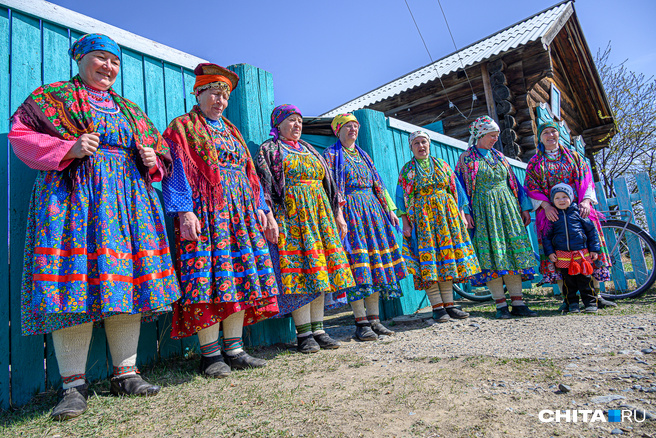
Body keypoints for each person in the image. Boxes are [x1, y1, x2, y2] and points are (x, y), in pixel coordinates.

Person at [8, 34, 181, 420]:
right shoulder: (51, 98)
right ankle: (73, 386)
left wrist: (153, 157)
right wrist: (67, 148)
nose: (108, 67)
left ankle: (126, 374)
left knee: (126, 281)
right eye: (100, 58)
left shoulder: (129, 109)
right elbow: (21, 136)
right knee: (72, 284)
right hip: (74, 203)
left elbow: (163, 155)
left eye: (114, 62)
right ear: (80, 59)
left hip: (127, 204)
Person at [160, 63, 279, 377]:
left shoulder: (231, 130)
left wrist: (263, 210)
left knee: (237, 279)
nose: (220, 101)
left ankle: (235, 350)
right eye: (214, 94)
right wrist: (184, 211)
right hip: (205, 213)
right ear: (198, 93)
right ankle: (211, 356)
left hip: (240, 214)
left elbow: (250, 174)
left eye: (224, 96)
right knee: (208, 279)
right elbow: (174, 172)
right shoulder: (181, 128)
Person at [256, 105, 355, 353]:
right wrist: (270, 218)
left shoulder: (311, 149)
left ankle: (319, 329)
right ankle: (304, 334)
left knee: (320, 270)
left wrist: (338, 214)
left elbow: (330, 185)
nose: (297, 125)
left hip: (320, 216)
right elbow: (264, 187)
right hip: (290, 216)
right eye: (291, 120)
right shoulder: (269, 149)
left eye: (300, 121)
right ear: (278, 124)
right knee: (299, 271)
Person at [323, 113, 407, 340]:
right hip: (350, 213)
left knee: (374, 265)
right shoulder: (331, 156)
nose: (352, 130)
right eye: (348, 126)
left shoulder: (364, 156)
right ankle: (361, 323)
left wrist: (390, 209)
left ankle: (375, 320)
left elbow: (377, 183)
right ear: (337, 130)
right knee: (357, 267)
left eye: (355, 126)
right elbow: (329, 188)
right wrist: (337, 214)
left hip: (373, 213)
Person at [524, 121, 615, 309]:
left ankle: (595, 297)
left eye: (553, 131)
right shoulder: (535, 163)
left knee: (589, 254)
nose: (550, 135)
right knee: (558, 257)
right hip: (552, 215)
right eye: (545, 133)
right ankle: (568, 300)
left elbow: (586, 178)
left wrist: (586, 202)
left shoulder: (574, 157)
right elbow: (531, 187)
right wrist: (546, 206)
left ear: (559, 135)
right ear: (540, 138)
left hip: (578, 212)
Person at [456, 116, 538, 319]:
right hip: (484, 212)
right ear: (480, 135)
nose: (495, 139)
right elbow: (459, 188)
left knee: (512, 252)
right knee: (491, 256)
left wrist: (524, 208)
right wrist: (465, 211)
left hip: (508, 209)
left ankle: (518, 303)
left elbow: (514, 183)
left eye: (496, 135)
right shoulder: (466, 159)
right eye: (492, 135)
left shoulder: (499, 156)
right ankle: (501, 305)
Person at [397, 131, 480, 322]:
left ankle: (450, 305)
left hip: (447, 217)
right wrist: (406, 222)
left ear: (429, 143)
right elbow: (401, 198)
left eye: (423, 142)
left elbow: (456, 190)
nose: (421, 146)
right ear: (411, 147)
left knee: (447, 258)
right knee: (429, 260)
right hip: (423, 220)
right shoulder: (407, 170)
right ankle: (437, 308)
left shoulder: (442, 165)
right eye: (416, 143)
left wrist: (461, 215)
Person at [543, 184, 601, 313]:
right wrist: (550, 252)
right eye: (557, 198)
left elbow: (591, 232)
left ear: (571, 197)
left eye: (564, 197)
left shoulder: (578, 212)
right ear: (552, 201)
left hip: (582, 254)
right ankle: (572, 304)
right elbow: (546, 236)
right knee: (568, 283)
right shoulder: (553, 216)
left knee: (586, 280)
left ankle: (590, 303)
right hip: (562, 255)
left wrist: (594, 249)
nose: (561, 200)